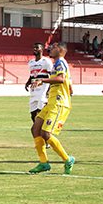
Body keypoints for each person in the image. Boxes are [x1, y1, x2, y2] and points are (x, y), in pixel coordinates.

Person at [28, 42, 75, 174]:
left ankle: (67, 159)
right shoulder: (57, 63)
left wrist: (42, 81)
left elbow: (60, 79)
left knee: (45, 133)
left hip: (59, 103)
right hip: (52, 102)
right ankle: (43, 163)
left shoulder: (61, 62)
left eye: (53, 47)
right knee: (35, 129)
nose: (50, 49)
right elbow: (67, 83)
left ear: (60, 50)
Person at [25, 43, 54, 123]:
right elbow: (32, 76)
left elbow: (51, 76)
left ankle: (44, 126)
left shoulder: (46, 61)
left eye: (37, 47)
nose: (35, 49)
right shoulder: (31, 62)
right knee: (33, 112)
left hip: (43, 88)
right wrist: (27, 83)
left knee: (41, 109)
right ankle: (37, 127)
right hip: (34, 89)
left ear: (42, 49)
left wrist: (49, 89)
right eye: (34, 47)